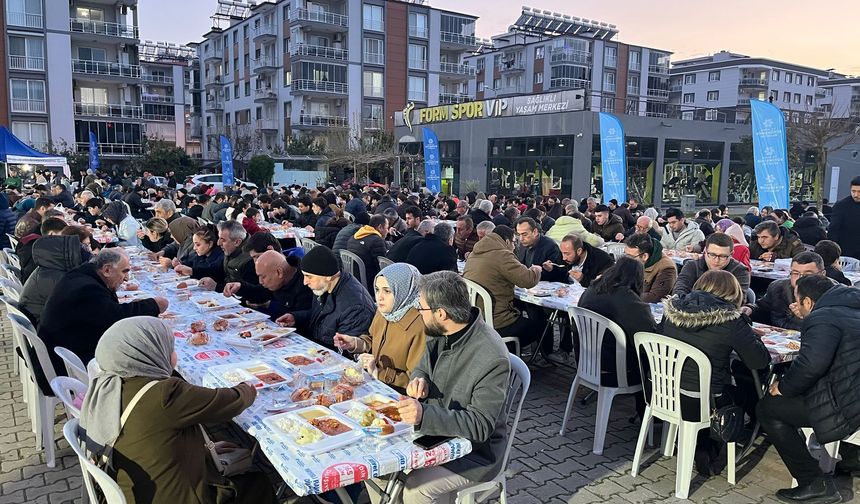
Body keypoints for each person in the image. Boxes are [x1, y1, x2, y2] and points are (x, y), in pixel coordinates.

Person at [79, 317, 277, 504]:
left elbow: (152, 435)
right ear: (150, 352)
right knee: (259, 483)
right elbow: (231, 401)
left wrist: (203, 450)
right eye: (170, 348)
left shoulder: (106, 384)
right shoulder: (165, 393)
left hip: (128, 491)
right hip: (174, 497)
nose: (175, 355)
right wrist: (249, 386)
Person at [365, 271, 510, 504]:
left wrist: (424, 414)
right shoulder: (441, 329)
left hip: (476, 453)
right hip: (433, 434)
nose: (417, 313)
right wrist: (419, 379)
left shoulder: (491, 356)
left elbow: (481, 425)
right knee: (375, 464)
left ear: (441, 313)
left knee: (415, 490)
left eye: (420, 308)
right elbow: (423, 365)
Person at [757, 276, 860, 503]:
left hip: (849, 404)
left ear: (808, 302)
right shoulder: (851, 308)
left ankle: (813, 481)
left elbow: (811, 365)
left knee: (768, 408)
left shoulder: (822, 318)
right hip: (850, 391)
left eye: (798, 301)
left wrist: (783, 387)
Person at [661, 270, 770, 476]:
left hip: (665, 391)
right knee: (747, 393)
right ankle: (720, 442)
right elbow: (759, 360)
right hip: (705, 400)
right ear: (732, 292)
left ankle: (696, 444)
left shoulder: (671, 310)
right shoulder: (731, 321)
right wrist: (750, 334)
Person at [38, 249, 168, 376]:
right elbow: (117, 319)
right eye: (124, 271)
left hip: (66, 348)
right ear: (107, 270)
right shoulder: (87, 288)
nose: (127, 278)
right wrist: (153, 305)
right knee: (147, 357)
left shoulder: (83, 275)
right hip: (67, 364)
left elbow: (105, 310)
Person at [577, 257, 657, 415]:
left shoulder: (592, 289)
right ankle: (648, 413)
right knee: (652, 361)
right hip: (614, 369)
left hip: (586, 362)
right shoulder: (628, 300)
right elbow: (648, 336)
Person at [333, 263, 426, 392]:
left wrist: (378, 373)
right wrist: (355, 343)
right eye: (377, 289)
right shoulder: (384, 312)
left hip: (397, 394)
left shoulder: (419, 326)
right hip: (374, 385)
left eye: (387, 291)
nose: (379, 297)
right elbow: (373, 339)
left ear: (404, 291)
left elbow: (416, 380)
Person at [276, 245, 375, 348]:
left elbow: (344, 351)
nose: (305, 282)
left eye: (309, 276)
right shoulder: (326, 286)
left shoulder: (355, 308)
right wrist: (296, 318)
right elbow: (323, 317)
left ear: (327, 276)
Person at [463, 225, 543, 349]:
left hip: (475, 319)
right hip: (498, 322)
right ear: (506, 241)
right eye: (513, 242)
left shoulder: (475, 253)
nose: (514, 246)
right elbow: (528, 280)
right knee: (539, 326)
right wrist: (536, 270)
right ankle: (514, 356)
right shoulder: (502, 255)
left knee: (520, 308)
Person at [742, 252, 828, 330]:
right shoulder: (778, 287)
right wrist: (751, 309)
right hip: (779, 339)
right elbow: (764, 307)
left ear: (822, 274)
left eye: (808, 275)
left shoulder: (832, 294)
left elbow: (829, 330)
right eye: (795, 273)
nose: (800, 278)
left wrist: (807, 316)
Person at [224, 250, 313, 319]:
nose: (260, 281)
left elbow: (302, 318)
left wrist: (271, 305)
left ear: (279, 272)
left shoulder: (307, 283)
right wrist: (240, 287)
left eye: (263, 277)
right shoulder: (279, 279)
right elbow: (260, 293)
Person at [19, 234, 85, 327]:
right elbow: (80, 306)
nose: (82, 251)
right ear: (65, 254)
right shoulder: (54, 278)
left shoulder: (47, 271)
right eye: (77, 249)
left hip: (42, 325)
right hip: (48, 331)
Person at [198, 220, 268, 303]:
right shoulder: (230, 250)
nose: (218, 243)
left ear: (237, 242)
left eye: (223, 240)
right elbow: (218, 270)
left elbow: (251, 294)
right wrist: (192, 271)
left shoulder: (250, 260)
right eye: (219, 238)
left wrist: (217, 287)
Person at [673, 233, 751, 297]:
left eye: (723, 256)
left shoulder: (741, 271)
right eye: (712, 254)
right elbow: (679, 289)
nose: (716, 260)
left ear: (731, 254)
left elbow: (737, 300)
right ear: (705, 251)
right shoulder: (692, 266)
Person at [543, 234, 614, 288]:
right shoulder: (563, 254)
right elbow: (560, 276)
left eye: (567, 254)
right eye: (562, 253)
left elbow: (604, 286)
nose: (564, 258)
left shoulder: (602, 260)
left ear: (579, 251)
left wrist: (583, 279)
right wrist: (551, 270)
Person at [624, 233, 677, 303]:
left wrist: (624, 295)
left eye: (630, 257)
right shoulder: (632, 262)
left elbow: (654, 297)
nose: (626, 260)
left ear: (644, 256)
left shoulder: (667, 268)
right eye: (625, 255)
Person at [514, 217, 566, 282]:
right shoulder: (521, 243)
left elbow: (559, 273)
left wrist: (548, 270)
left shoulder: (550, 247)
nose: (521, 239)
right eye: (518, 234)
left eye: (524, 234)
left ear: (535, 232)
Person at [346, 214, 390, 291]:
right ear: (380, 227)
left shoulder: (353, 237)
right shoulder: (377, 241)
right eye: (387, 228)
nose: (388, 231)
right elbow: (381, 267)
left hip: (353, 280)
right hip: (368, 283)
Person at [18, 216, 67, 283]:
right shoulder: (43, 254)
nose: (64, 238)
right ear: (51, 234)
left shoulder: (36, 246)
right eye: (62, 234)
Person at [827, 176, 860, 259]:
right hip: (846, 252)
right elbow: (833, 230)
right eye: (853, 191)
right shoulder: (841, 206)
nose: (856, 195)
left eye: (859, 192)